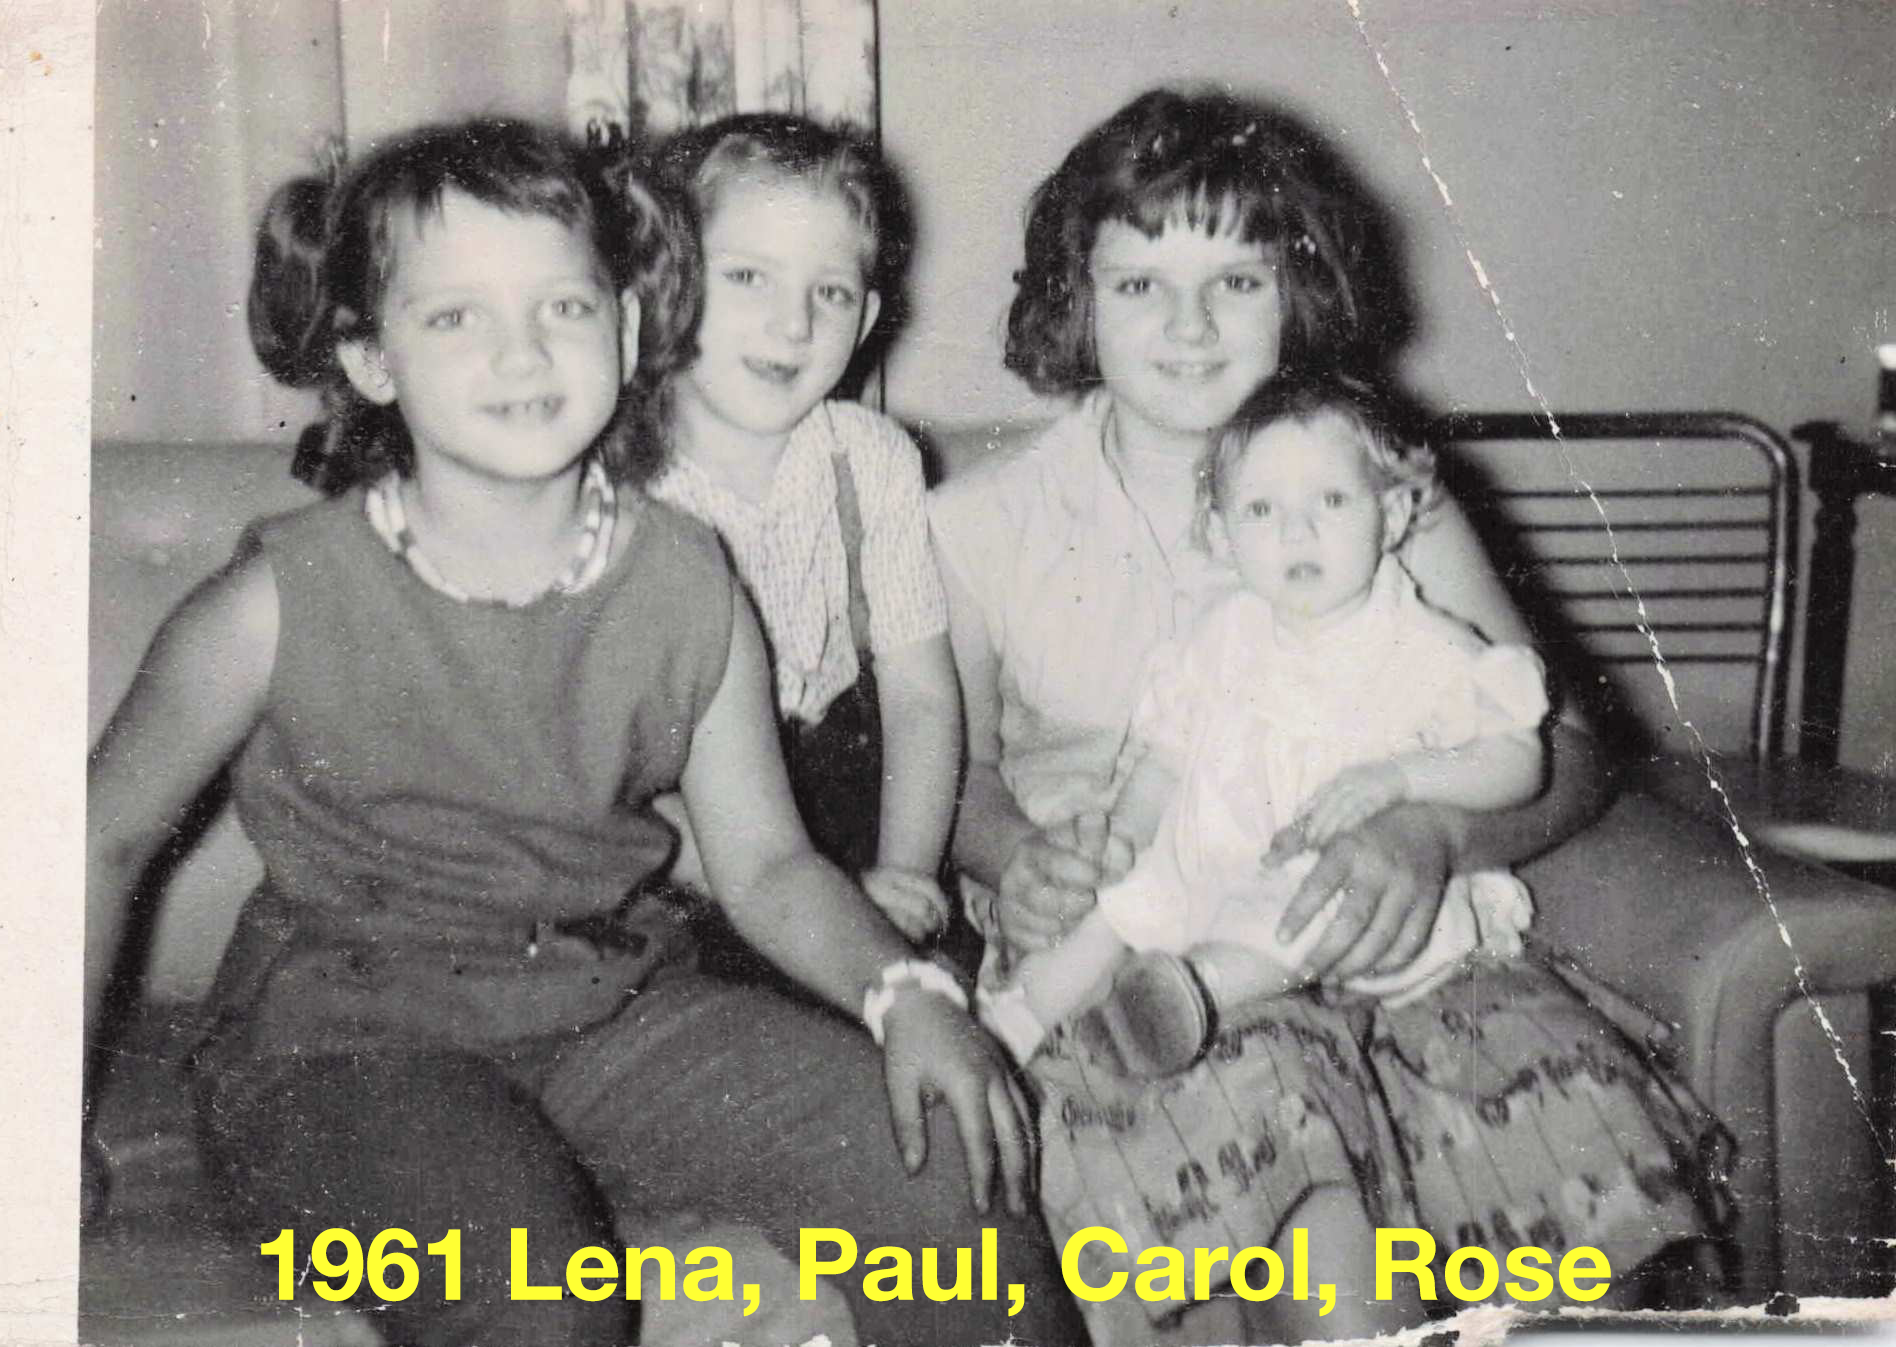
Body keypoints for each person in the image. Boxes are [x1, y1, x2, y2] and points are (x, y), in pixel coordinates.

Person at [83, 117, 1081, 1347]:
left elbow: (768, 867)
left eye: (562, 306)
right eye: (457, 316)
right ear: (371, 358)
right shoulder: (274, 601)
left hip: (612, 1005)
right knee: (539, 1294)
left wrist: (906, 993)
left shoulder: (688, 575)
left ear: (626, 326)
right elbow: (100, 842)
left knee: (945, 1167)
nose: (522, 353)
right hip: (345, 1046)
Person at [929, 87, 1729, 1343]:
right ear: (1075, 299)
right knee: (1324, 1250)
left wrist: (1433, 837)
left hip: (1395, 926)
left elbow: (1568, 752)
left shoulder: (1384, 495)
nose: (1188, 327)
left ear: (1296, 289)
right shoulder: (978, 522)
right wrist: (1015, 858)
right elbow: (953, 779)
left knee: (1582, 1191)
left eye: (1235, 283)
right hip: (1142, 937)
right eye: (1138, 285)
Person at [977, 373, 1550, 1085]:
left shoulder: (1425, 647)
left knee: (1295, 919)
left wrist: (1402, 780)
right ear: (1223, 536)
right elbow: (1167, 757)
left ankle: (1191, 995)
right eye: (1261, 509)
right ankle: (1017, 1021)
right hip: (1216, 854)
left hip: (1337, 879)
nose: (1295, 531)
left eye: (1331, 501)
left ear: (1394, 512)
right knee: (1124, 904)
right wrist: (1123, 835)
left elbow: (1520, 759)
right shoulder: (1224, 635)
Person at [641, 113, 955, 943]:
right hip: (692, 863)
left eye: (831, 292)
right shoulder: (623, 485)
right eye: (749, 277)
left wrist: (907, 877)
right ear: (670, 282)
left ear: (867, 316)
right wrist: (828, 906)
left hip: (859, 824)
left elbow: (921, 700)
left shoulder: (873, 461)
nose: (794, 324)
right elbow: (612, 788)